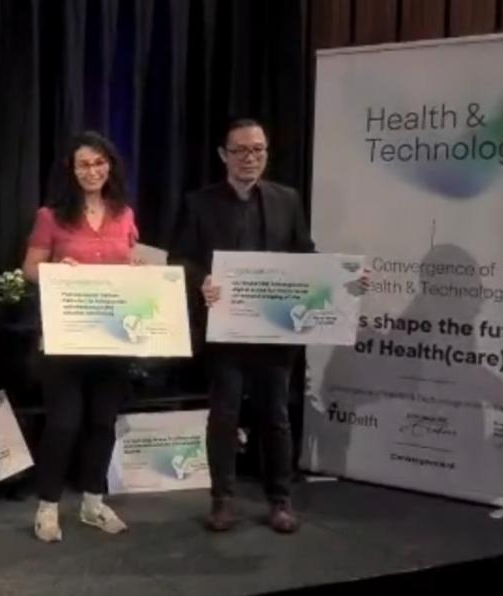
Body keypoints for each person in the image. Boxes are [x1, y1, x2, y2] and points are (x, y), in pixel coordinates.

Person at [168, 118, 314, 534]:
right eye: (241, 150)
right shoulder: (199, 203)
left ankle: (280, 501)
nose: (251, 158)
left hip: (274, 331)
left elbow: (306, 254)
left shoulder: (287, 199)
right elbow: (179, 258)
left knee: (276, 416)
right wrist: (203, 281)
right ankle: (222, 500)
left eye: (258, 150)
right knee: (224, 415)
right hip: (224, 330)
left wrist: (343, 280)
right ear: (223, 155)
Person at [22, 131, 138, 543]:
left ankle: (93, 502)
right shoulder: (51, 216)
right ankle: (47, 507)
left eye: (99, 162)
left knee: (103, 423)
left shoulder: (124, 213)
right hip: (66, 337)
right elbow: (29, 268)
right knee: (64, 424)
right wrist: (57, 271)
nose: (92, 171)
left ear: (110, 166)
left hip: (113, 337)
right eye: (84, 164)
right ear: (71, 171)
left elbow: (133, 262)